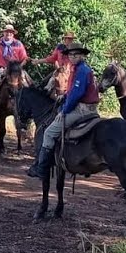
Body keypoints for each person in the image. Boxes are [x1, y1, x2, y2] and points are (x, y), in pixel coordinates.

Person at [26, 42, 99, 179]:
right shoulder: (79, 69)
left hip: (81, 109)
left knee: (49, 133)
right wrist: (65, 96)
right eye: (70, 55)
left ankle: (41, 168)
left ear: (82, 56)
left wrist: (64, 111)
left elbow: (77, 94)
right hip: (90, 108)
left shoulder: (81, 71)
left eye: (76, 54)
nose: (73, 57)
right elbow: (74, 92)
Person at [0, 24, 30, 94]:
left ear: (13, 34)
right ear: (3, 33)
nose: (8, 33)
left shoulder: (18, 44)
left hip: (14, 70)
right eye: (7, 31)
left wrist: (18, 68)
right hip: (0, 68)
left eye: (10, 32)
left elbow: (25, 59)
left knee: (27, 85)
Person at [42, 31, 76, 98]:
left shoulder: (74, 50)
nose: (69, 40)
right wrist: (57, 67)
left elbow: (74, 63)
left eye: (71, 39)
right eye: (68, 38)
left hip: (69, 72)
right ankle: (44, 90)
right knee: (48, 80)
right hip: (59, 70)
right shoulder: (59, 47)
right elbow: (53, 58)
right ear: (64, 39)